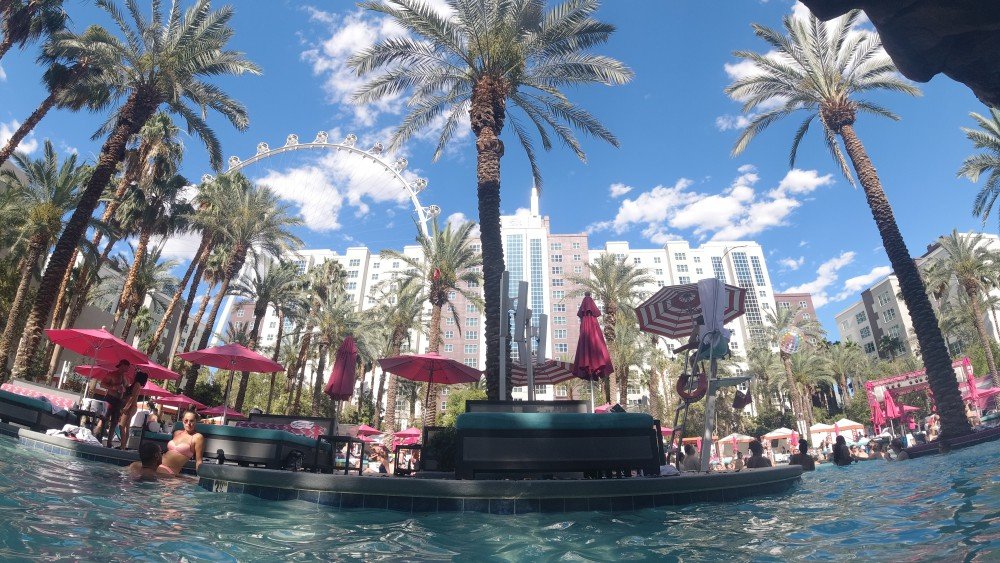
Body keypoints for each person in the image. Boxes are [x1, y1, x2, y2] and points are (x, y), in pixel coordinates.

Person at [94, 359, 131, 444]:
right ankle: (96, 436)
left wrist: (125, 392)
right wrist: (114, 387)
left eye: (128, 367)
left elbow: (127, 391)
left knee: (114, 422)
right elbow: (102, 384)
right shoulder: (112, 374)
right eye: (126, 366)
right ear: (121, 366)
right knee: (103, 419)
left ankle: (109, 442)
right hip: (110, 398)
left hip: (119, 401)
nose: (127, 369)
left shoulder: (126, 378)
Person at [116, 371, 149, 449]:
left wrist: (125, 407)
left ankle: (123, 445)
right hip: (132, 406)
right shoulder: (137, 385)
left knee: (121, 426)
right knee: (127, 426)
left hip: (130, 406)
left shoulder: (137, 384)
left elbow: (132, 397)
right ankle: (123, 445)